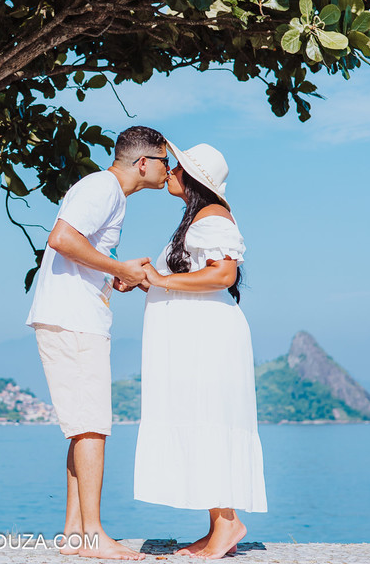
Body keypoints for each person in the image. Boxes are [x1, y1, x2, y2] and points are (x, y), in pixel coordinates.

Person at [25, 125, 171, 560]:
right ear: (143, 163)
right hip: (73, 319)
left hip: (74, 315)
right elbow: (61, 238)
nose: (170, 170)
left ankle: (74, 533)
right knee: (91, 428)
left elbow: (77, 250)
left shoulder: (108, 193)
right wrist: (119, 268)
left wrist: (113, 274)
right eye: (165, 162)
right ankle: (93, 536)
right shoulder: (103, 187)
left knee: (82, 427)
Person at [126, 142, 267, 559]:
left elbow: (223, 274)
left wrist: (159, 279)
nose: (168, 169)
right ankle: (218, 527)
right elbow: (192, 274)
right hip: (196, 336)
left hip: (207, 339)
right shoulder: (199, 218)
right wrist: (145, 278)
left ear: (192, 177)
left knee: (207, 416)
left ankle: (227, 524)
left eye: (177, 166)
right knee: (200, 416)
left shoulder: (212, 217)